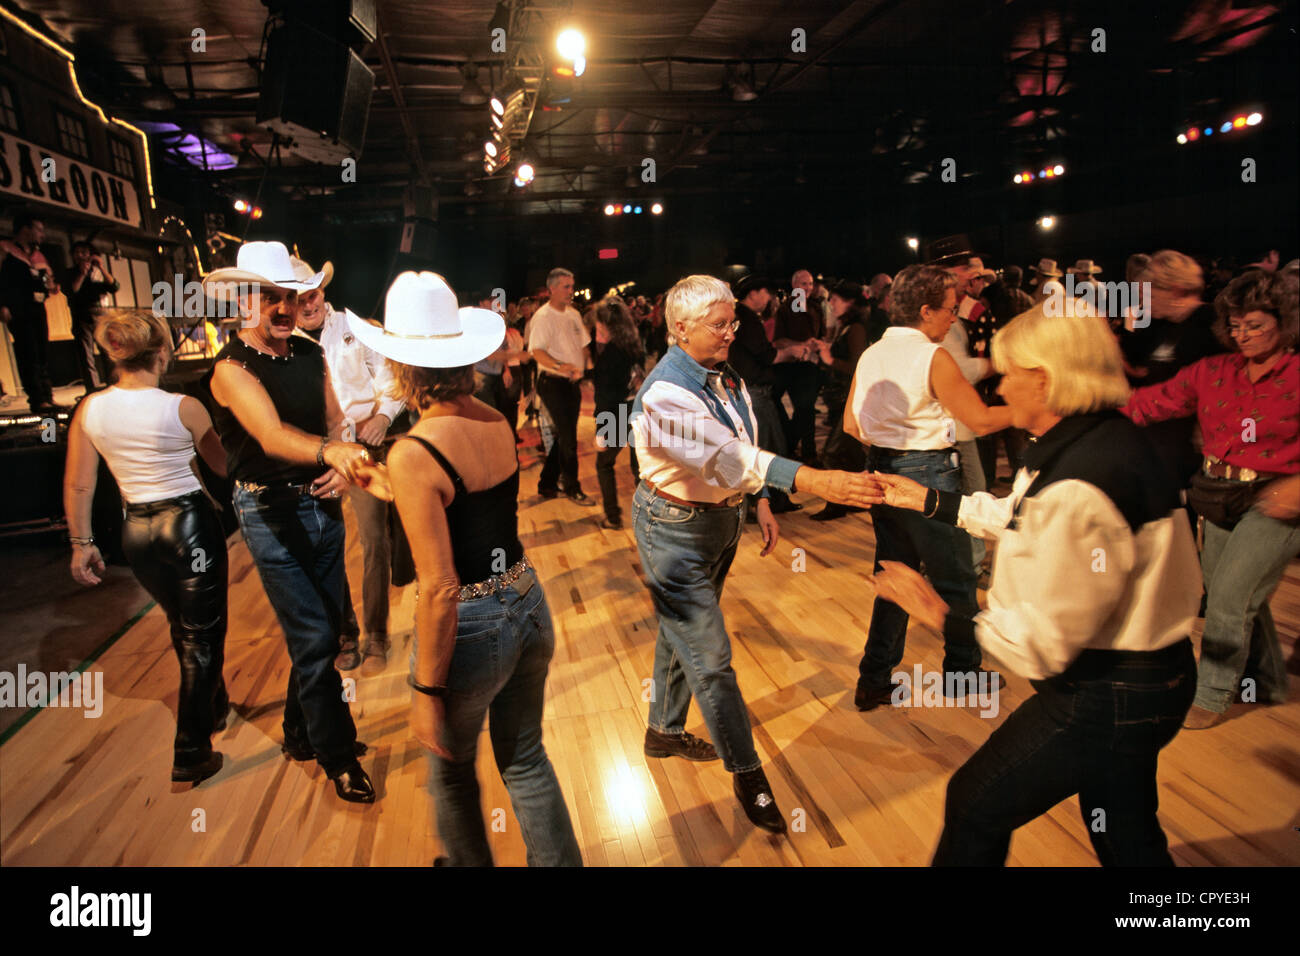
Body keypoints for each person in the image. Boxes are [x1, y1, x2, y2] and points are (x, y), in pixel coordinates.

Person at [871, 298, 1202, 866]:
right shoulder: (1092, 440)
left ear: (1044, 380)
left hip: (1109, 694)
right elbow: (1022, 516)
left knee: (975, 804)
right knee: (1125, 831)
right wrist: (930, 499)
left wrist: (942, 614)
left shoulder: (1079, 484)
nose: (998, 388)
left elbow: (1040, 645)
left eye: (1007, 373)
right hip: (1150, 682)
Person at [630, 274, 879, 833]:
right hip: (672, 530)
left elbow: (744, 444)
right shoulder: (665, 394)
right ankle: (749, 775)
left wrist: (761, 500)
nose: (730, 333)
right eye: (719, 326)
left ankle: (664, 730)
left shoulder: (725, 372)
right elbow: (727, 454)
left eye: (732, 323)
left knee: (681, 633)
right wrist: (813, 480)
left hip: (720, 519)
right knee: (712, 660)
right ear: (680, 328)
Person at [357, 271, 582, 866]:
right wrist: (384, 483)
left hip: (473, 625)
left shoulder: (414, 449)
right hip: (528, 599)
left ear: (403, 368)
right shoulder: (492, 417)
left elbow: (438, 587)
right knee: (526, 759)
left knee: (452, 775)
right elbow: (470, 504)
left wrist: (426, 690)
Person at [205, 241, 380, 804]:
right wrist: (332, 456)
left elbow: (336, 422)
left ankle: (299, 731)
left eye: (290, 296)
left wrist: (339, 464)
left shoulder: (308, 354)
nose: (282, 308)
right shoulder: (231, 369)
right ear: (243, 302)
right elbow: (273, 436)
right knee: (314, 635)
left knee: (324, 626)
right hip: (268, 511)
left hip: (321, 501)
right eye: (269, 297)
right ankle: (338, 753)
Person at [1122, 269, 1299, 729]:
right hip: (1219, 495)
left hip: (1273, 499)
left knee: (1228, 598)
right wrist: (1084, 400)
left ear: (1285, 322)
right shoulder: (1214, 370)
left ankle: (1212, 693)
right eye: (1236, 326)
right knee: (1238, 596)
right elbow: (1150, 403)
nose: (1242, 335)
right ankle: (1270, 681)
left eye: (1255, 325)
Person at [64, 309, 231, 783]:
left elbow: (79, 485)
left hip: (137, 532)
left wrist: (81, 544)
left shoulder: (90, 410)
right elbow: (220, 467)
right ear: (162, 353)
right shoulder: (183, 406)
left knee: (182, 624)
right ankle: (192, 748)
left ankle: (214, 705)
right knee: (203, 634)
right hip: (188, 526)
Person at [844, 264, 1012, 712]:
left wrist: (892, 448)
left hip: (880, 472)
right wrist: (1037, 408)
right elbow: (978, 419)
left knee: (895, 578)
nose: (953, 319)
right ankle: (962, 678)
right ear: (924, 311)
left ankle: (874, 680)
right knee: (955, 579)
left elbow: (849, 424)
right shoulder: (932, 357)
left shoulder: (873, 353)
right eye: (949, 311)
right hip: (928, 474)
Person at [293, 256, 405, 676]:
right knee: (323, 548)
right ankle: (345, 632)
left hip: (360, 448)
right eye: (299, 298)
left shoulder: (358, 330)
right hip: (315, 453)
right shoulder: (287, 346)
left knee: (375, 540)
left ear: (324, 293)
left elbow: (393, 384)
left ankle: (376, 635)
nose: (308, 305)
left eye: (313, 295)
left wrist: (381, 417)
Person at [727, 275, 804, 515]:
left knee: (767, 445)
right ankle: (765, 503)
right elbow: (767, 356)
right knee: (768, 447)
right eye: (766, 292)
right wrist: (792, 351)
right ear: (753, 293)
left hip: (747, 390)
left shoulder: (738, 317)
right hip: (754, 392)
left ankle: (772, 501)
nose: (769, 298)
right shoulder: (747, 320)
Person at [528, 267, 595, 505]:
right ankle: (572, 487)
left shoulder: (573, 314)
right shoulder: (543, 317)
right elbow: (537, 351)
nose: (571, 291)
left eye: (572, 286)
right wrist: (562, 366)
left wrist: (586, 365)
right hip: (552, 383)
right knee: (568, 437)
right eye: (566, 287)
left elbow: (584, 344)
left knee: (564, 436)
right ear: (552, 289)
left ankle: (547, 483)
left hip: (572, 383)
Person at [812, 279, 871, 521]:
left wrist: (829, 359)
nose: (830, 303)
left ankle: (836, 504)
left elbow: (858, 366)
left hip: (850, 399)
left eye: (835, 299)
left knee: (833, 453)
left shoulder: (855, 328)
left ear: (849, 302)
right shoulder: (847, 327)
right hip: (842, 399)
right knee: (850, 453)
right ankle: (859, 500)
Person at [590, 297, 645, 529]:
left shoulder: (610, 354)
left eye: (599, 324)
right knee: (639, 469)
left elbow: (607, 394)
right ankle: (648, 518)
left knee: (604, 463)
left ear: (607, 325)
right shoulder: (633, 344)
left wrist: (602, 432)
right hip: (637, 411)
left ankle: (613, 517)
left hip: (617, 413)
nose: (596, 329)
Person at [0, 212, 63, 413]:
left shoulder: (38, 254)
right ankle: (36, 398)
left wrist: (51, 284)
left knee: (43, 351)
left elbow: (50, 282)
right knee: (28, 352)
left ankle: (47, 395)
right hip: (18, 307)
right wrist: (2, 305)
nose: (42, 234)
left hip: (38, 307)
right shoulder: (5, 248)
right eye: (39, 229)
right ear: (25, 229)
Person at [772, 268, 824, 461]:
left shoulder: (816, 308)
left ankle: (802, 450)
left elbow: (820, 336)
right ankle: (795, 447)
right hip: (791, 367)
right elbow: (778, 340)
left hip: (810, 367)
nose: (808, 288)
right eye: (804, 284)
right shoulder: (786, 309)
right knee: (803, 409)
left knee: (806, 409)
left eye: (810, 283)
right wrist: (801, 345)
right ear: (794, 286)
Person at [62, 241, 120, 395]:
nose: (80, 255)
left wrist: (100, 267)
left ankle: (113, 385)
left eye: (84, 252)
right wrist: (82, 273)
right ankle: (92, 389)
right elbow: (71, 291)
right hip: (81, 314)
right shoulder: (70, 272)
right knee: (86, 354)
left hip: (101, 314)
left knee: (108, 351)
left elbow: (114, 286)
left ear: (91, 254)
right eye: (77, 252)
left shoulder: (98, 272)